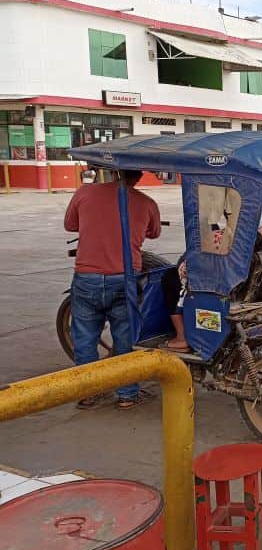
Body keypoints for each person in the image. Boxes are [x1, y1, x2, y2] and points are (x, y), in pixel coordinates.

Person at [64, 170, 161, 410]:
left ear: (111, 173)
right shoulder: (147, 203)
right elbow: (154, 232)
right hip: (124, 279)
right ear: (138, 177)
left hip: (87, 277)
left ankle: (88, 394)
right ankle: (127, 395)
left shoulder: (84, 193)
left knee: (85, 338)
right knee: (125, 337)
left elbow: (70, 225)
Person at [161, 226, 262, 352]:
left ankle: (182, 336)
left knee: (170, 278)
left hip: (222, 293)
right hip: (245, 289)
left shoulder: (218, 239)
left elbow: (184, 269)